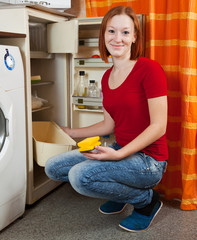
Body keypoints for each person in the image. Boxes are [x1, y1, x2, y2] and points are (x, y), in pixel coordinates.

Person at [45, 5, 168, 232]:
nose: (117, 38)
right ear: (103, 35)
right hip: (119, 149)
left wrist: (118, 154)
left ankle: (146, 201)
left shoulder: (150, 69)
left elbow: (159, 126)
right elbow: (108, 125)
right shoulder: (106, 77)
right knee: (53, 167)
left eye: (125, 32)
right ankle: (120, 191)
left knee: (79, 177)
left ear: (134, 37)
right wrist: (70, 132)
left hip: (148, 162)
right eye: (111, 31)